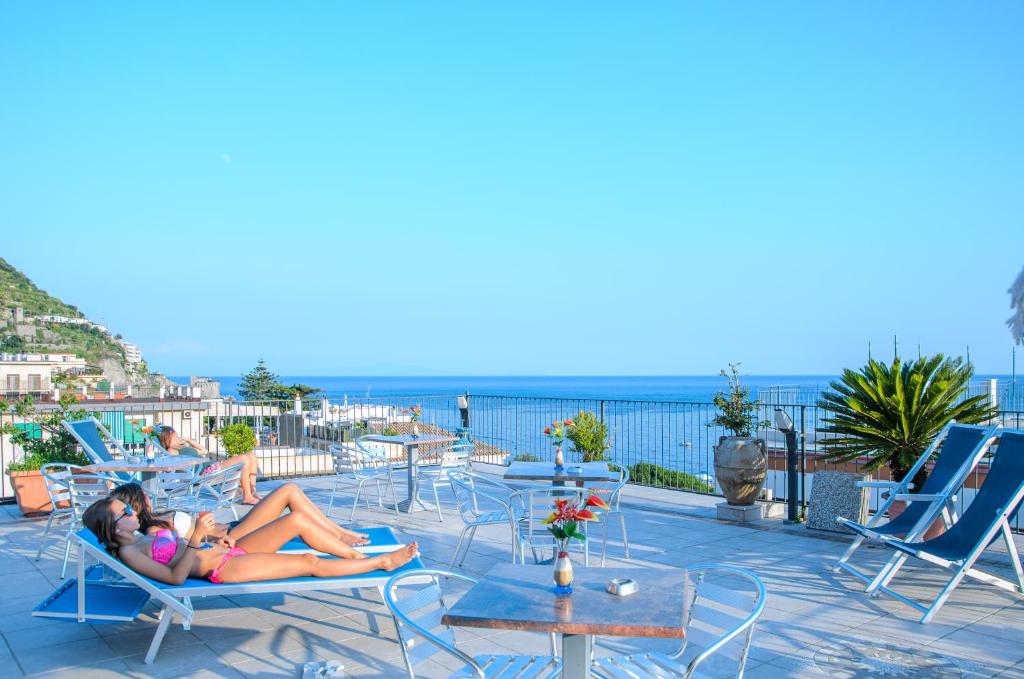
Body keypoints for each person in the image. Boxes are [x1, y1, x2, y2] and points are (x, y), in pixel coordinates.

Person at [82, 496, 418, 585]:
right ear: (113, 528)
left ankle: (352, 556)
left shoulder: (138, 537)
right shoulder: (130, 552)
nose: (131, 511)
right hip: (225, 568)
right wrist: (197, 540)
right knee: (307, 563)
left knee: (297, 520)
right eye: (124, 511)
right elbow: (174, 577)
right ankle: (380, 562)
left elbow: (179, 552)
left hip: (223, 550)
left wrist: (210, 539)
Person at [110, 481, 371, 552]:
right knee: (289, 491)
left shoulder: (156, 517)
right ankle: (341, 535)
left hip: (235, 528)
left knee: (292, 492)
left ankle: (340, 532)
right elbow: (183, 551)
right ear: (136, 503)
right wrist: (205, 536)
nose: (148, 497)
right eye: (142, 496)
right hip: (233, 538)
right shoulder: (153, 531)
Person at [158, 426, 262, 505]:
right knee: (244, 459)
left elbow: (204, 451)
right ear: (166, 440)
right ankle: (247, 496)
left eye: (177, 436)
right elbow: (171, 465)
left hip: (212, 466)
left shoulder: (183, 449)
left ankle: (253, 491)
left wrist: (189, 440)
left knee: (251, 456)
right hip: (206, 472)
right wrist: (171, 448)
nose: (177, 439)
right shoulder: (171, 453)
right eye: (174, 437)